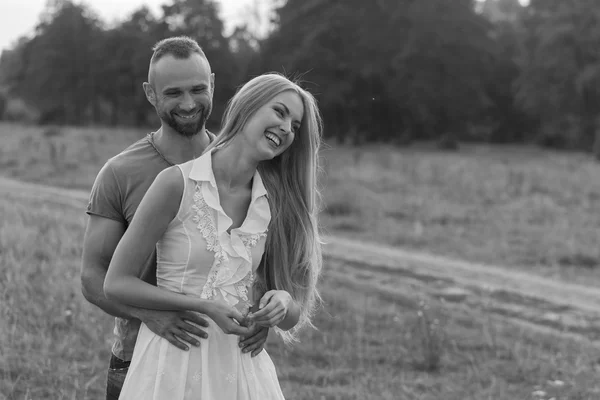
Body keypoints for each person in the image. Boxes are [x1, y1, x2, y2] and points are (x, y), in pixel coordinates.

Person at [103, 72, 324, 399]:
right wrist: (204, 307)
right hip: (170, 367)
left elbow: (292, 315)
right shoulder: (175, 183)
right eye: (280, 112)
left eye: (295, 125)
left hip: (240, 372)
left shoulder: (275, 203)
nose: (287, 128)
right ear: (248, 107)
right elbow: (116, 283)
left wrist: (283, 302)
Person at [80, 36, 269, 400]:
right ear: (151, 94)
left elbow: (253, 263)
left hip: (223, 365)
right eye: (173, 93)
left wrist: (265, 317)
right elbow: (93, 277)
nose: (188, 103)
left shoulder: (240, 167)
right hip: (138, 358)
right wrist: (153, 315)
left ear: (213, 83)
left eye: (198, 89)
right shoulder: (119, 173)